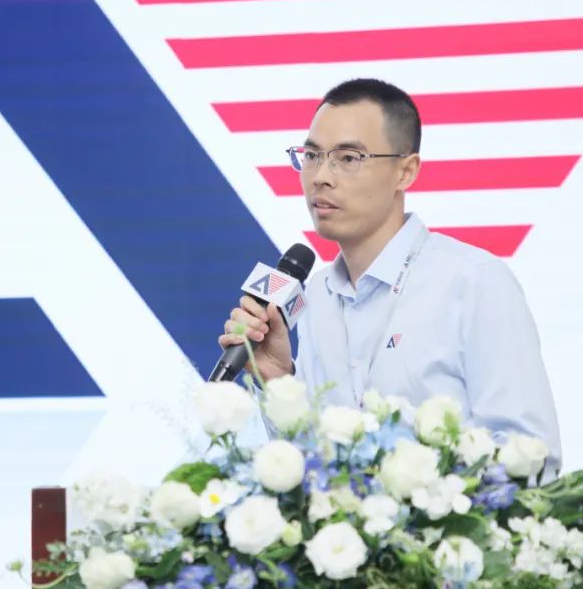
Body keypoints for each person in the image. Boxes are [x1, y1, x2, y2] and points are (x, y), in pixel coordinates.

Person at [218, 78, 562, 473]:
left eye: (348, 158)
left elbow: (532, 456)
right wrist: (279, 382)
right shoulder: (316, 296)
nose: (320, 176)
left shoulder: (474, 282)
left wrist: (429, 497)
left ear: (406, 171)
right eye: (311, 155)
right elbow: (311, 469)